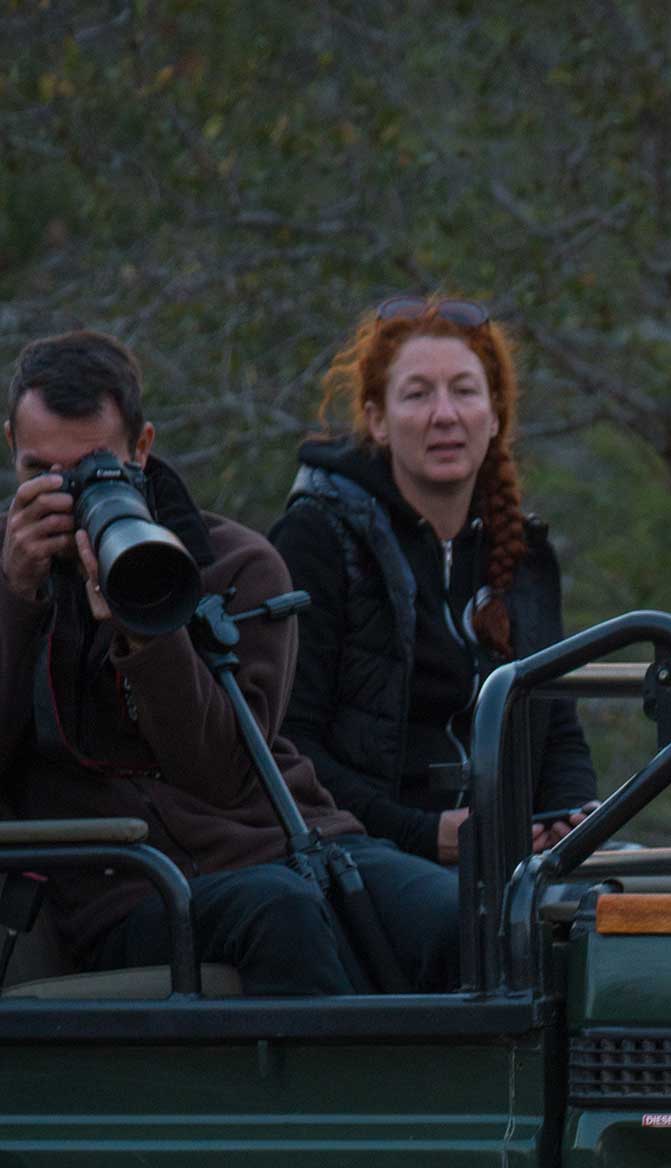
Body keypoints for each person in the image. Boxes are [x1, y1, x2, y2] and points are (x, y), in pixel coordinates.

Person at [0, 330, 460, 996]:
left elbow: (218, 769)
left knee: (455, 918)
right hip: (128, 886)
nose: (65, 493)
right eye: (40, 472)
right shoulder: (8, 577)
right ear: (11, 450)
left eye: (92, 469)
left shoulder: (235, 563)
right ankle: (347, 1103)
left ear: (144, 448)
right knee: (281, 913)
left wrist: (149, 615)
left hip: (296, 839)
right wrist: (18, 596)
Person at [270, 298, 596, 867]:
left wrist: (568, 823)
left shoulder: (524, 554)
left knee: (660, 910)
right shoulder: (317, 538)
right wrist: (421, 833)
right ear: (377, 419)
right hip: (364, 857)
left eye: (464, 391)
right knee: (460, 925)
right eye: (417, 394)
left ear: (494, 415)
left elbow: (559, 731)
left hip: (511, 862)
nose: (444, 414)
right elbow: (288, 746)